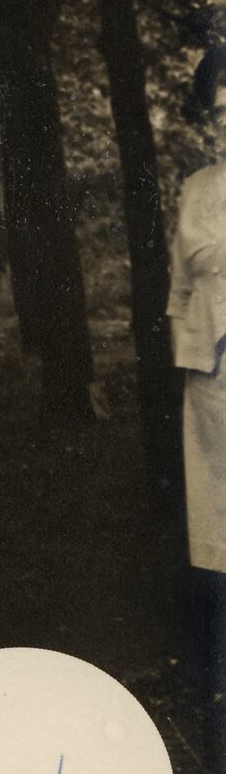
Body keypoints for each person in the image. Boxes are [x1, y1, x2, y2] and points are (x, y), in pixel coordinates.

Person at [170, 46, 226, 660]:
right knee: (217, 508)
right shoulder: (195, 190)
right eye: (218, 110)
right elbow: (180, 293)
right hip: (214, 378)